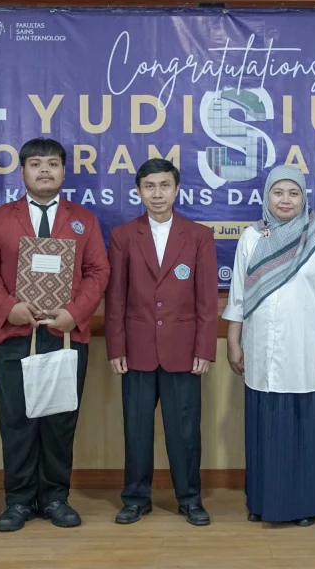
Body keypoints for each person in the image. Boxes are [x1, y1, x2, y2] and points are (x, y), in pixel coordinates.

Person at [0, 138, 110, 532]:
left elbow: (99, 271)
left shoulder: (84, 219)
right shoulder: (0, 218)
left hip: (65, 334)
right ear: (22, 172)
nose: (44, 170)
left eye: (52, 163)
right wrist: (7, 307)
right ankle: (17, 501)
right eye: (35, 164)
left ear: (64, 171)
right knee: (17, 420)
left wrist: (74, 313)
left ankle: (54, 498)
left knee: (59, 420)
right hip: (16, 332)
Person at [222, 165, 315, 527]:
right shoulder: (252, 237)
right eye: (278, 192)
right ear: (266, 196)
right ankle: (263, 501)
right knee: (266, 427)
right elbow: (238, 297)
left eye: (294, 193)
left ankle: (306, 504)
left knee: (306, 427)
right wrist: (233, 341)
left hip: (309, 350)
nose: (286, 200)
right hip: (260, 349)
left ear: (304, 197)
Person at [105, 158, 217, 527]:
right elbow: (115, 298)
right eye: (149, 186)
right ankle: (136, 498)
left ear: (176, 189)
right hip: (136, 349)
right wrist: (116, 347)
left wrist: (204, 349)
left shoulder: (198, 236)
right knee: (136, 429)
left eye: (164, 185)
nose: (157, 193)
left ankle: (190, 499)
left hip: (183, 350)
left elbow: (206, 300)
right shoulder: (123, 235)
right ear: (139, 191)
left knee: (185, 431)